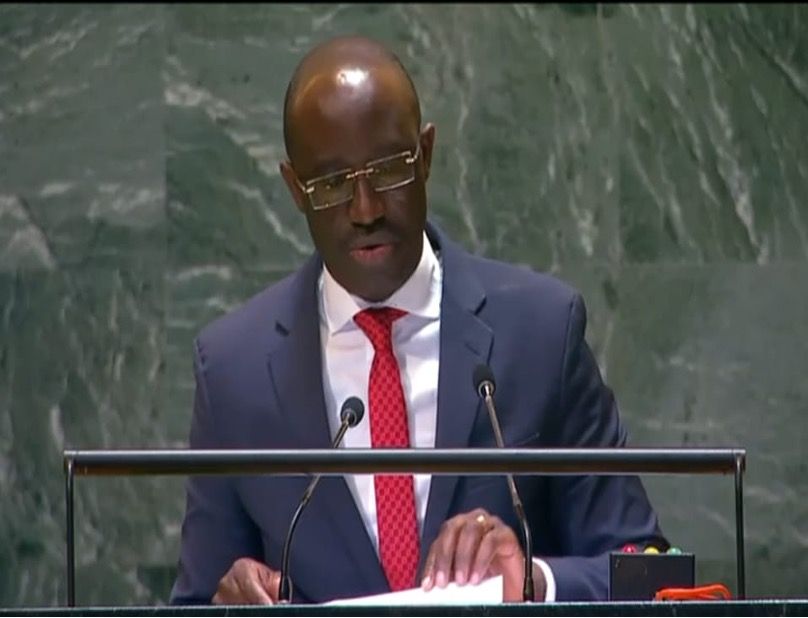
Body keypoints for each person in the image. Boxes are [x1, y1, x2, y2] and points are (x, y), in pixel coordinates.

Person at [170, 34, 667, 606]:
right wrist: (227, 605)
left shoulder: (541, 332)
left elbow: (651, 574)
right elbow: (198, 601)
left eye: (387, 170)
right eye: (332, 183)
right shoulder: (234, 371)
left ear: (425, 154)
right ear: (295, 190)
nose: (365, 210)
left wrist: (533, 582)